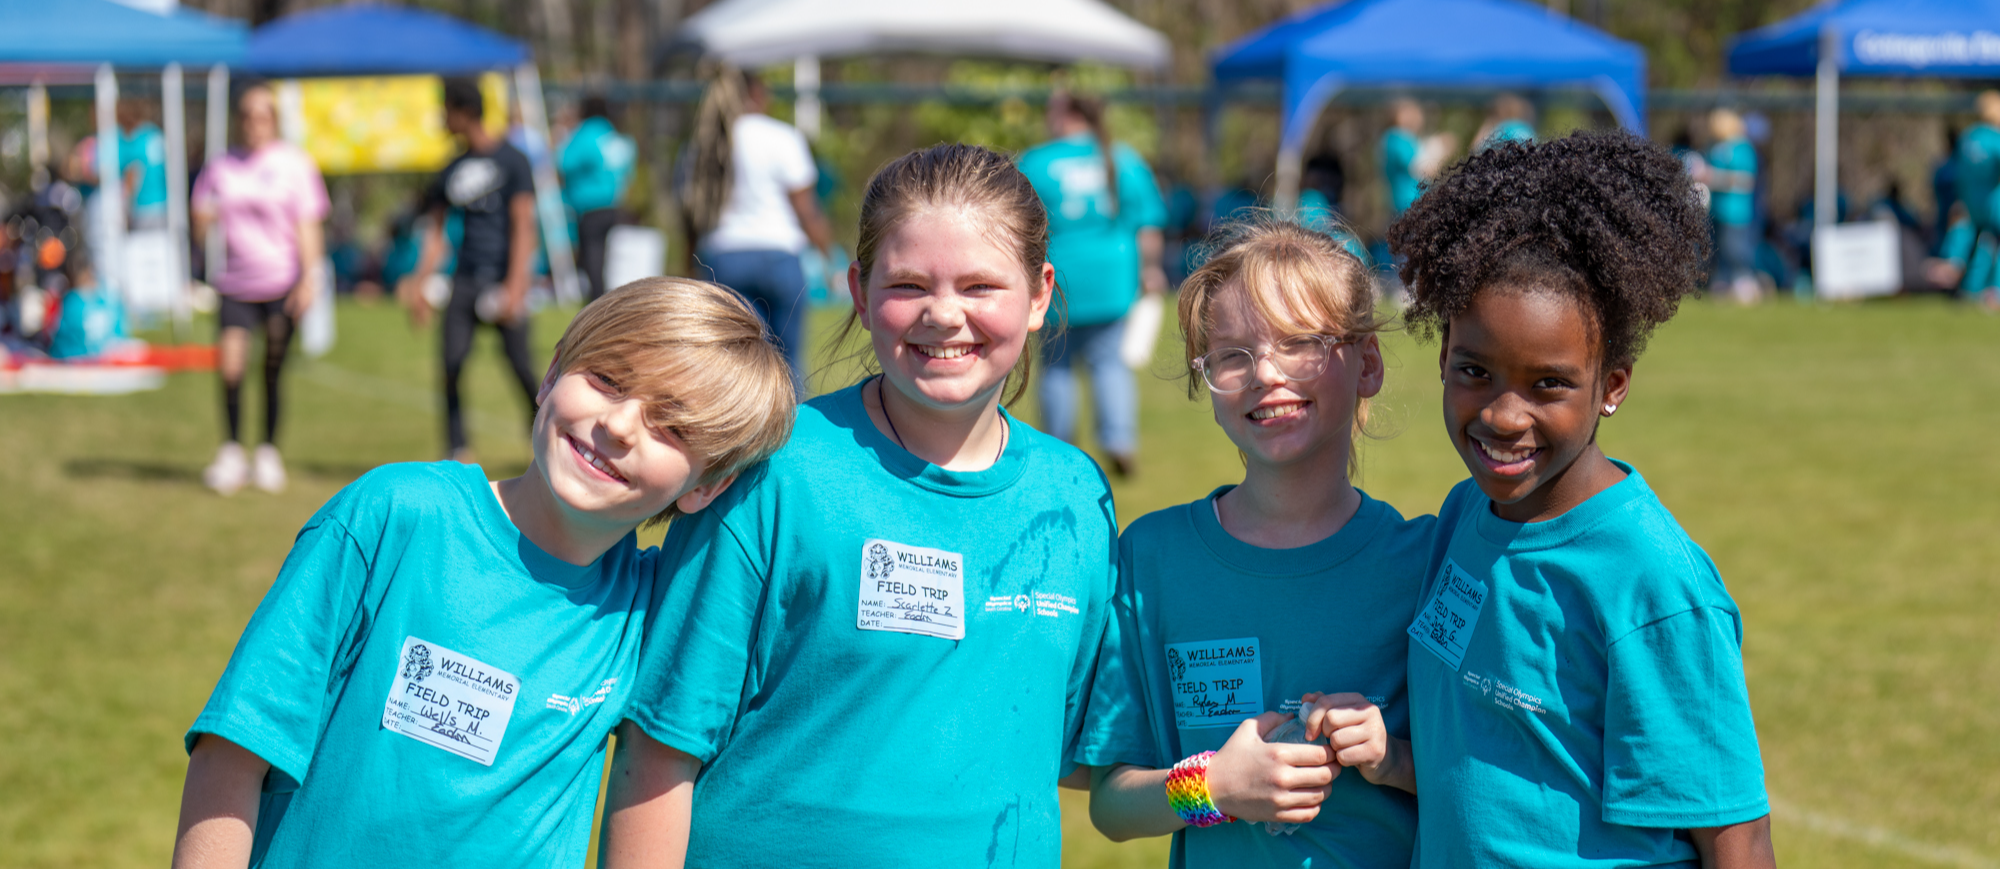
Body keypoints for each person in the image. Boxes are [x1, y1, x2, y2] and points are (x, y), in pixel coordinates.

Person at [598, 144, 1116, 869]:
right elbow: (659, 750)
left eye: (979, 285)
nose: (944, 314)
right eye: (908, 283)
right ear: (859, 291)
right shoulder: (773, 470)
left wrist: (1235, 769)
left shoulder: (1075, 497)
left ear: (1038, 295)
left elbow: (1086, 753)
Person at [169, 278, 796, 868]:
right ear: (550, 373)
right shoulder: (396, 514)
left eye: (672, 425)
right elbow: (238, 749)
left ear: (707, 486)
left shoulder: (655, 613)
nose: (620, 425)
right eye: (607, 379)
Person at [1387, 131, 1773, 868]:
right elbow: (1498, 763)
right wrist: (1385, 755)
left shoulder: (1652, 585)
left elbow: (1739, 841)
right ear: (1442, 358)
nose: (1503, 415)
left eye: (1548, 384)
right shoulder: (1465, 516)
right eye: (1475, 371)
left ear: (1613, 386)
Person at [1080, 216, 1429, 867]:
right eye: (1232, 354)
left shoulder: (1424, 563)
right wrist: (1212, 788)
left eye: (1299, 342)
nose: (1265, 371)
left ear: (1368, 363)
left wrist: (1392, 756)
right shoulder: (1154, 557)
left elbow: (1490, 779)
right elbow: (1113, 802)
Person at [191, 79, 331, 496]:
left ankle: (268, 451)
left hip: (280, 283)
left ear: (274, 120)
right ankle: (232, 450)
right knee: (231, 366)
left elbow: (307, 225)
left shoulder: (294, 164)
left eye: (263, 115)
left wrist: (309, 279)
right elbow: (200, 212)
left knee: (272, 368)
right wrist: (204, 224)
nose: (255, 124)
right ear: (239, 121)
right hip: (235, 283)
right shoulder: (222, 165)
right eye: (248, 116)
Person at [1018, 89, 1167, 477]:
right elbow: (1147, 224)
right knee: (1109, 364)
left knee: (1057, 367)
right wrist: (1150, 268)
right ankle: (1119, 440)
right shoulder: (1121, 158)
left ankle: (1060, 446)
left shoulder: (1037, 162)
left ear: (1064, 112)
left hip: (1058, 279)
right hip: (1112, 279)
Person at [403, 77, 541, 462]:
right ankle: (457, 449)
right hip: (465, 278)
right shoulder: (450, 168)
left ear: (463, 113)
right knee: (451, 363)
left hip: (503, 276)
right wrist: (420, 283)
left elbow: (523, 225)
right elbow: (436, 232)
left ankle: (546, 441)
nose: (441, 118)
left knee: (521, 368)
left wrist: (516, 287)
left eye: (446, 110)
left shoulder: (512, 160)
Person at [677, 63, 834, 388]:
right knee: (789, 364)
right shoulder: (782, 137)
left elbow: (692, 214)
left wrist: (689, 266)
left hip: (722, 258)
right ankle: (791, 433)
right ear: (757, 94)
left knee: (737, 366)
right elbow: (806, 209)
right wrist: (828, 254)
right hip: (779, 257)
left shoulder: (704, 144)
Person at [559, 95, 636, 301]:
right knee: (609, 258)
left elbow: (563, 161)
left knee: (592, 258)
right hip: (614, 205)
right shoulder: (614, 136)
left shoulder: (585, 134)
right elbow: (628, 166)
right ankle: (610, 300)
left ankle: (597, 304)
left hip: (589, 207)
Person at [1704, 109, 1761, 304]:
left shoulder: (1742, 148)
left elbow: (1746, 180)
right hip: (1717, 210)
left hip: (1736, 212)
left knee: (1736, 250)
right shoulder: (1715, 146)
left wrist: (1716, 177)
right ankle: (1723, 285)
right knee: (1719, 252)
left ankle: (1747, 286)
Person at [1954, 92, 2000, 304]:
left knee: (1984, 243)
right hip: (1994, 201)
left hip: (1971, 201)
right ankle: (1996, 290)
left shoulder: (1968, 137)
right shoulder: (1996, 139)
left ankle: (1972, 289)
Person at [117, 97, 169, 230]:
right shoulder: (156, 134)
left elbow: (132, 175)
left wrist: (124, 210)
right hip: (163, 205)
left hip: (143, 207)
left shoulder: (134, 141)